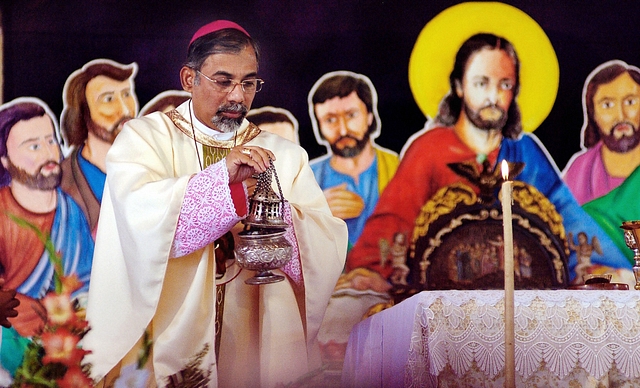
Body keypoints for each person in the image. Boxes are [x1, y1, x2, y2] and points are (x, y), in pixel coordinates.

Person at [83, 20, 347, 388]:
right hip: (171, 337)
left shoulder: (286, 156)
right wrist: (227, 187)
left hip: (257, 338)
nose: (238, 96)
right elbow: (142, 224)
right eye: (223, 81)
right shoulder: (144, 139)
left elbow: (325, 248)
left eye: (249, 82)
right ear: (189, 79)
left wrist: (272, 212)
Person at [347, 33, 630, 283]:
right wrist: (370, 269)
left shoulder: (526, 152)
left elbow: (567, 218)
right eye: (481, 83)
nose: (493, 96)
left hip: (523, 290)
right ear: (459, 86)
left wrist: (602, 268)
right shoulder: (429, 150)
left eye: (505, 84)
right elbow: (394, 220)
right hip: (444, 295)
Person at [0, 97, 94, 375]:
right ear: (4, 159)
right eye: (34, 146)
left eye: (51, 141)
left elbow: (88, 281)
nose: (49, 153)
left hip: (70, 345)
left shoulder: (71, 211)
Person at [308, 71, 398, 249]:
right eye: (330, 120)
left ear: (370, 116)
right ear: (319, 126)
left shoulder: (399, 167)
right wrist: (315, 214)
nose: (342, 130)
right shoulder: (306, 177)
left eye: (351, 115)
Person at [60, 59, 139, 233]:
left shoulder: (150, 164)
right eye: (108, 99)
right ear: (83, 111)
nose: (125, 110)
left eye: (127, 94)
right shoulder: (62, 181)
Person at [563, 60, 640, 204]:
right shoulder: (580, 171)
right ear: (593, 114)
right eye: (607, 105)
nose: (621, 115)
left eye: (630, 102)